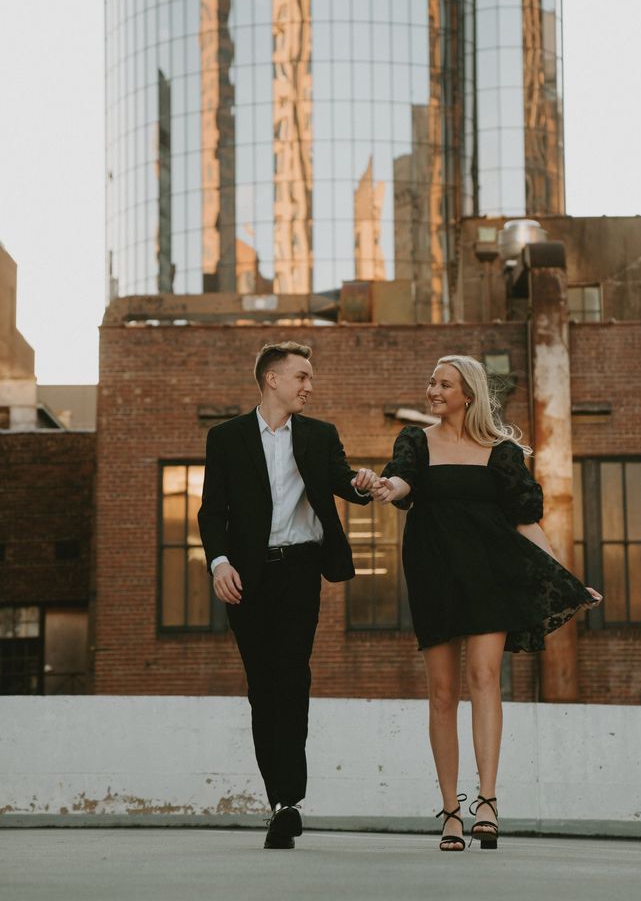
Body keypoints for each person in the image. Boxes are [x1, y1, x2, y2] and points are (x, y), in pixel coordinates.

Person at [372, 355, 602, 852]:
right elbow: (404, 480)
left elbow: (524, 521)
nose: (432, 390)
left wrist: (564, 577)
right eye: (431, 381)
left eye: (443, 384)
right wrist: (388, 487)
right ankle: (450, 812)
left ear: (468, 394)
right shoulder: (415, 441)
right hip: (433, 573)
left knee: (483, 680)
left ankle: (488, 803)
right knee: (441, 692)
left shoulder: (501, 453)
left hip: (489, 576)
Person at [198, 341, 378, 849]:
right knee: (263, 685)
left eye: (311, 377)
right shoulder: (227, 437)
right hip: (246, 577)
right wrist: (219, 563)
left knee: (293, 675)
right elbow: (212, 512)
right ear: (272, 379)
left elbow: (343, 480)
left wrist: (365, 482)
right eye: (301, 376)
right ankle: (279, 800)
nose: (309, 386)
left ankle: (289, 801)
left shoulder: (321, 435)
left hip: (300, 570)